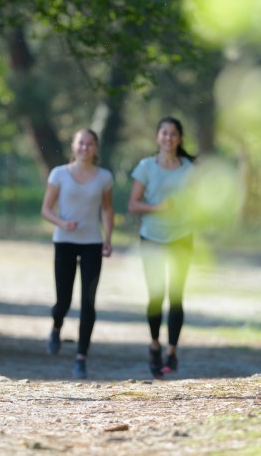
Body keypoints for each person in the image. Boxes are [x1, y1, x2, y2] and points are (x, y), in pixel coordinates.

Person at [40, 128, 114, 380]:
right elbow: (46, 209)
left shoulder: (104, 177)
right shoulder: (59, 174)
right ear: (73, 146)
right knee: (64, 300)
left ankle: (81, 357)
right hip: (65, 242)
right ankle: (57, 325)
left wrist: (108, 238)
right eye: (81, 143)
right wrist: (62, 223)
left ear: (96, 148)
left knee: (88, 302)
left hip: (92, 243)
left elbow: (106, 209)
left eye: (90, 144)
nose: (85, 147)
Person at [128, 116, 195, 380]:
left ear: (180, 138)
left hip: (181, 237)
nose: (169, 138)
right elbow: (134, 205)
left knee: (176, 296)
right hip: (152, 237)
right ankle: (155, 345)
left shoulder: (189, 168)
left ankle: (172, 351)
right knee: (156, 295)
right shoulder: (145, 166)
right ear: (158, 137)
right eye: (164, 133)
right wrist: (158, 208)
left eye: (174, 134)